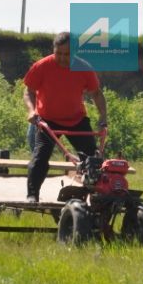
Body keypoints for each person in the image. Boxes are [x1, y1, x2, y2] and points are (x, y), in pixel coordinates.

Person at [23, 31, 107, 203]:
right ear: (53, 50)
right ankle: (32, 196)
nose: (62, 58)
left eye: (67, 54)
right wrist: (32, 111)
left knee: (92, 159)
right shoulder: (42, 66)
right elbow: (29, 91)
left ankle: (96, 197)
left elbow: (97, 94)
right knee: (40, 157)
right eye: (58, 53)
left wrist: (103, 118)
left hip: (76, 119)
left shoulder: (84, 68)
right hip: (47, 120)